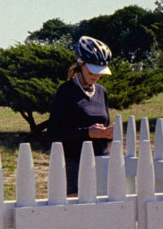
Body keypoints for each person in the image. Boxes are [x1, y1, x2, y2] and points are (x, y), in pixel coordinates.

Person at [43, 35, 115, 195]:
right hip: (74, 163)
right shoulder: (66, 91)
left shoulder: (102, 91)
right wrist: (87, 132)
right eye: (92, 71)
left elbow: (104, 125)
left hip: (101, 161)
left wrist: (108, 134)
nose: (96, 76)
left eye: (100, 72)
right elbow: (53, 133)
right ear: (81, 65)